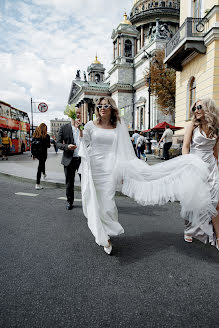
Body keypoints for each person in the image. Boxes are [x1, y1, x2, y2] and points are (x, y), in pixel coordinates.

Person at [79, 97, 214, 256]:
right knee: (94, 202)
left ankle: (107, 230)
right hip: (94, 167)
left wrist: (125, 170)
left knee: (107, 203)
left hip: (110, 170)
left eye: (106, 105)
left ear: (111, 108)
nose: (102, 108)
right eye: (100, 106)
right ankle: (103, 237)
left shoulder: (119, 125)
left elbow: (125, 150)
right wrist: (79, 131)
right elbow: (85, 142)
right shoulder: (89, 125)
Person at [182, 98, 219, 249]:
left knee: (215, 202)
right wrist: (188, 164)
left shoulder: (216, 127)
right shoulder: (192, 125)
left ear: (208, 109)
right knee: (193, 200)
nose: (195, 110)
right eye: (194, 108)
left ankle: (218, 237)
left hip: (211, 167)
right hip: (194, 164)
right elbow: (185, 147)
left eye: (198, 107)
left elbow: (216, 152)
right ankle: (189, 229)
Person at [57, 108, 82, 210]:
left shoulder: (83, 126)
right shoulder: (64, 128)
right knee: (69, 183)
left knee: (85, 183)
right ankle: (69, 202)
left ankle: (87, 202)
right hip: (69, 160)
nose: (79, 115)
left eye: (80, 113)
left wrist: (81, 128)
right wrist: (67, 146)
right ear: (71, 115)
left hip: (82, 160)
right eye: (76, 113)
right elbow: (57, 143)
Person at [31, 123, 50, 190]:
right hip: (43, 154)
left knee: (41, 164)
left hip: (37, 154)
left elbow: (32, 145)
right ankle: (37, 184)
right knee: (40, 167)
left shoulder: (35, 135)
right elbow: (48, 146)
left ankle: (44, 173)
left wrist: (33, 154)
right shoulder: (46, 136)